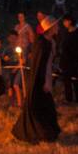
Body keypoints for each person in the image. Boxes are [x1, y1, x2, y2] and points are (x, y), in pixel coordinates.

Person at [12, 14, 61, 143]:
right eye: (55, 25)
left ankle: (46, 133)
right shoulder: (41, 43)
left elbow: (49, 62)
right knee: (37, 107)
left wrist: (53, 71)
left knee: (46, 107)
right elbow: (39, 64)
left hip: (45, 78)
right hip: (39, 81)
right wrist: (46, 82)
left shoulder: (51, 42)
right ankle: (38, 132)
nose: (58, 26)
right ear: (50, 28)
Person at [58, 16, 78, 105]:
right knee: (66, 79)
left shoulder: (77, 33)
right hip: (64, 58)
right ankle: (68, 98)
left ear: (69, 21)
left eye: (65, 21)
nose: (64, 23)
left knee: (75, 78)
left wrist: (74, 57)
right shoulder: (66, 32)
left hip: (73, 59)